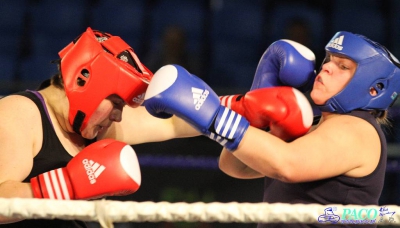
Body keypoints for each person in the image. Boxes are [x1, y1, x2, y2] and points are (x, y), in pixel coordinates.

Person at [0, 27, 312, 227]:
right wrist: (66, 186)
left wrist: (242, 106)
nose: (120, 118)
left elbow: (175, 122)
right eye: (118, 104)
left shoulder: (94, 124)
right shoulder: (18, 115)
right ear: (83, 81)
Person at [143, 31, 400, 228]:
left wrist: (212, 115)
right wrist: (260, 92)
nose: (327, 67)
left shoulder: (358, 129)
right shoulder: (312, 127)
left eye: (343, 67)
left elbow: (286, 164)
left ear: (374, 89)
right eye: (329, 60)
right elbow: (236, 166)